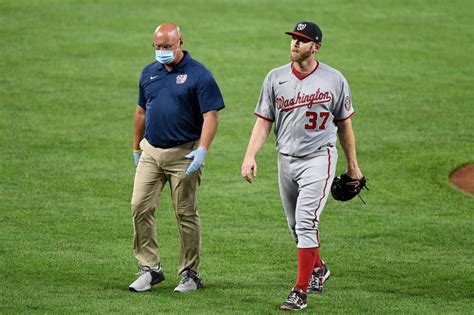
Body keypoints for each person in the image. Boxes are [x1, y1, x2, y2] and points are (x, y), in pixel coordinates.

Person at [241, 21, 363, 311]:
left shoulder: (334, 79)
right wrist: (249, 155)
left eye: (302, 40)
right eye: (293, 38)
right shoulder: (275, 78)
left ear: (316, 46)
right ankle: (319, 269)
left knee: (307, 221)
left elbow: (345, 126)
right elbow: (264, 121)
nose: (295, 44)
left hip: (320, 159)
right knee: (295, 226)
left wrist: (353, 167)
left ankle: (300, 291)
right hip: (286, 159)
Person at [129, 22, 225, 293]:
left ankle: (190, 274)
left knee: (185, 213)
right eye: (157, 47)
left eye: (167, 47)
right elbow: (140, 113)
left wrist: (203, 149)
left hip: (185, 153)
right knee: (139, 207)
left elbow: (211, 115)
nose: (162, 51)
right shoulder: (149, 73)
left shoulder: (199, 74)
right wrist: (136, 148)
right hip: (151, 152)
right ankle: (150, 268)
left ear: (180, 41)